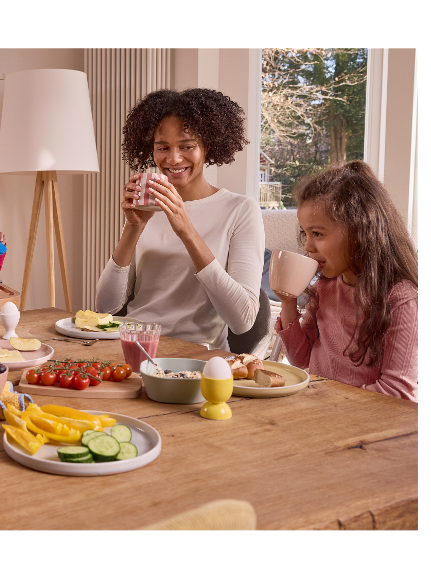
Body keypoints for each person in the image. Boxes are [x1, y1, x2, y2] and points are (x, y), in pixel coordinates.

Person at [96, 88, 264, 350]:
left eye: (187, 146)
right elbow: (105, 307)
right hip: (134, 348)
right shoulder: (147, 207)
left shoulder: (240, 209)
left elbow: (242, 320)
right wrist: (132, 227)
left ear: (207, 146)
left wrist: (186, 229)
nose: (173, 159)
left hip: (197, 357)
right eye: (162, 147)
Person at [276, 161, 418, 402]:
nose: (308, 246)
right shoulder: (325, 287)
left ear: (359, 231)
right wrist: (288, 303)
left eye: (317, 234)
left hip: (366, 429)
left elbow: (397, 392)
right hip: (324, 414)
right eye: (305, 234)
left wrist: (323, 401)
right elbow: (302, 359)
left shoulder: (401, 297)